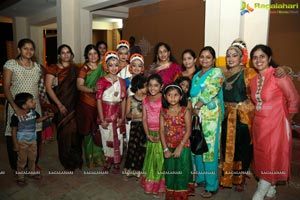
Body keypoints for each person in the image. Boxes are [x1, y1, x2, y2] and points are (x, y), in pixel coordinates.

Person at [249, 45, 299, 200]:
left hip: (277, 124)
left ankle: (260, 191)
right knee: (262, 156)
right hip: (260, 125)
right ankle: (271, 189)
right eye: (255, 57)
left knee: (272, 156)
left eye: (262, 56)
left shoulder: (279, 75)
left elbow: (294, 99)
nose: (258, 60)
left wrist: (287, 120)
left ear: (269, 58)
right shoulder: (253, 81)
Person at [3, 38, 44, 173]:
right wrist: (16, 108)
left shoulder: (37, 67)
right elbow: (6, 88)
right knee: (16, 136)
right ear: (19, 50)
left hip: (34, 106)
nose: (29, 51)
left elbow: (39, 87)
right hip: (17, 107)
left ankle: (32, 164)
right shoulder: (11, 64)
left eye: (31, 49)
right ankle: (18, 168)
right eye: (25, 48)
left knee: (34, 136)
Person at [190, 46, 225, 198]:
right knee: (197, 146)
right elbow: (192, 95)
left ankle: (211, 185)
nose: (204, 59)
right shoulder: (197, 75)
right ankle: (201, 178)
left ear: (213, 60)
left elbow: (211, 90)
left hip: (210, 117)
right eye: (202, 56)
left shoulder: (217, 73)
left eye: (208, 57)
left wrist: (198, 105)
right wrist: (192, 109)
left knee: (209, 150)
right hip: (196, 116)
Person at [45, 44, 83, 170]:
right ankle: (67, 161)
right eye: (63, 52)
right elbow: (48, 88)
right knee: (63, 134)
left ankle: (77, 159)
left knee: (75, 133)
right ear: (59, 55)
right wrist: (59, 105)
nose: (66, 55)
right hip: (60, 105)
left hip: (74, 105)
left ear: (71, 55)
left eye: (68, 52)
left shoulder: (76, 68)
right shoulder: (53, 68)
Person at [11, 92, 53, 186]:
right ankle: (20, 177)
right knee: (22, 160)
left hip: (33, 140)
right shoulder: (16, 116)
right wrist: (16, 144)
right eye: (31, 101)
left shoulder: (33, 112)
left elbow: (36, 120)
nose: (34, 102)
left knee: (32, 158)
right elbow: (13, 130)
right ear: (24, 105)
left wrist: (47, 117)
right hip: (22, 142)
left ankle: (31, 172)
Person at [160, 83, 194, 199]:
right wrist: (165, 149)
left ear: (181, 96)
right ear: (165, 96)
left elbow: (189, 131)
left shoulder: (185, 110)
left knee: (182, 170)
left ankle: (181, 196)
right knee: (170, 171)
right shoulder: (163, 112)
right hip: (169, 146)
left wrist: (180, 146)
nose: (173, 98)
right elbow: (161, 131)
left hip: (183, 146)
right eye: (169, 95)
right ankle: (171, 194)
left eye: (175, 95)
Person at [96, 50, 127, 174]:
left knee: (118, 139)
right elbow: (98, 101)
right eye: (111, 65)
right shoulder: (101, 81)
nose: (113, 68)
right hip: (105, 116)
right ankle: (108, 161)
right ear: (106, 66)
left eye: (116, 64)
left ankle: (116, 162)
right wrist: (102, 119)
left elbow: (123, 100)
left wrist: (123, 117)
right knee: (106, 139)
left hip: (117, 116)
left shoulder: (122, 82)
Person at [76, 44, 105, 168]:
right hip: (86, 104)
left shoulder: (101, 67)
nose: (93, 56)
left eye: (95, 53)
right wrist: (93, 90)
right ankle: (91, 159)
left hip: (99, 103)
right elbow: (79, 86)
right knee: (88, 131)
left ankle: (99, 158)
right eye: (90, 54)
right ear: (86, 56)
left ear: (98, 55)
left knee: (97, 130)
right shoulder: (84, 68)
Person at [141, 74, 165, 196]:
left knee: (159, 159)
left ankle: (159, 186)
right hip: (150, 133)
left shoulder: (164, 99)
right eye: (150, 85)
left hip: (162, 133)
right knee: (150, 159)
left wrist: (161, 135)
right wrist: (147, 135)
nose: (152, 88)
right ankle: (151, 183)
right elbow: (144, 119)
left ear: (161, 86)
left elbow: (166, 118)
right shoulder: (145, 99)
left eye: (156, 85)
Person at [123, 74, 147, 179]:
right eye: (145, 86)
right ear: (138, 86)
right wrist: (136, 115)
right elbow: (127, 114)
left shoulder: (148, 98)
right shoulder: (130, 98)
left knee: (143, 148)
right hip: (135, 126)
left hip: (146, 126)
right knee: (133, 147)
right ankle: (131, 169)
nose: (148, 88)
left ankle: (141, 169)